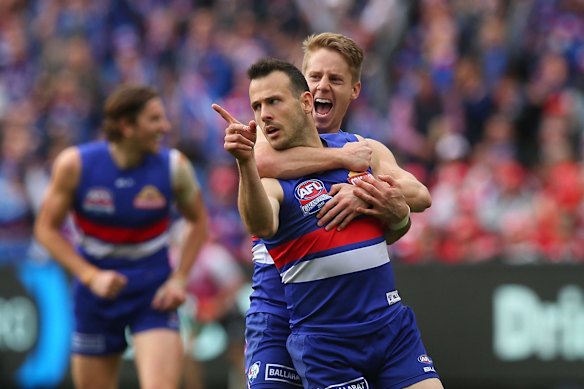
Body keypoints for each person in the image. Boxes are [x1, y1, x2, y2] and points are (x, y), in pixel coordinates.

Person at [214, 32, 433, 388]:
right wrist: (345, 161)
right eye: (314, 76)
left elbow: (417, 196)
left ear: (355, 90)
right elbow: (260, 165)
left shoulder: (364, 149)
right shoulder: (267, 144)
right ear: (302, 88)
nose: (321, 87)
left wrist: (363, 191)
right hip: (279, 312)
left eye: (334, 79)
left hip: (354, 315)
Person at [34, 84, 209, 389]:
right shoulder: (75, 165)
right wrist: (90, 276)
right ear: (126, 126)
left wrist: (180, 278)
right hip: (97, 294)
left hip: (153, 293)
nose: (165, 127)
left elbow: (199, 223)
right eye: (154, 120)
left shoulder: (174, 166)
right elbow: (45, 229)